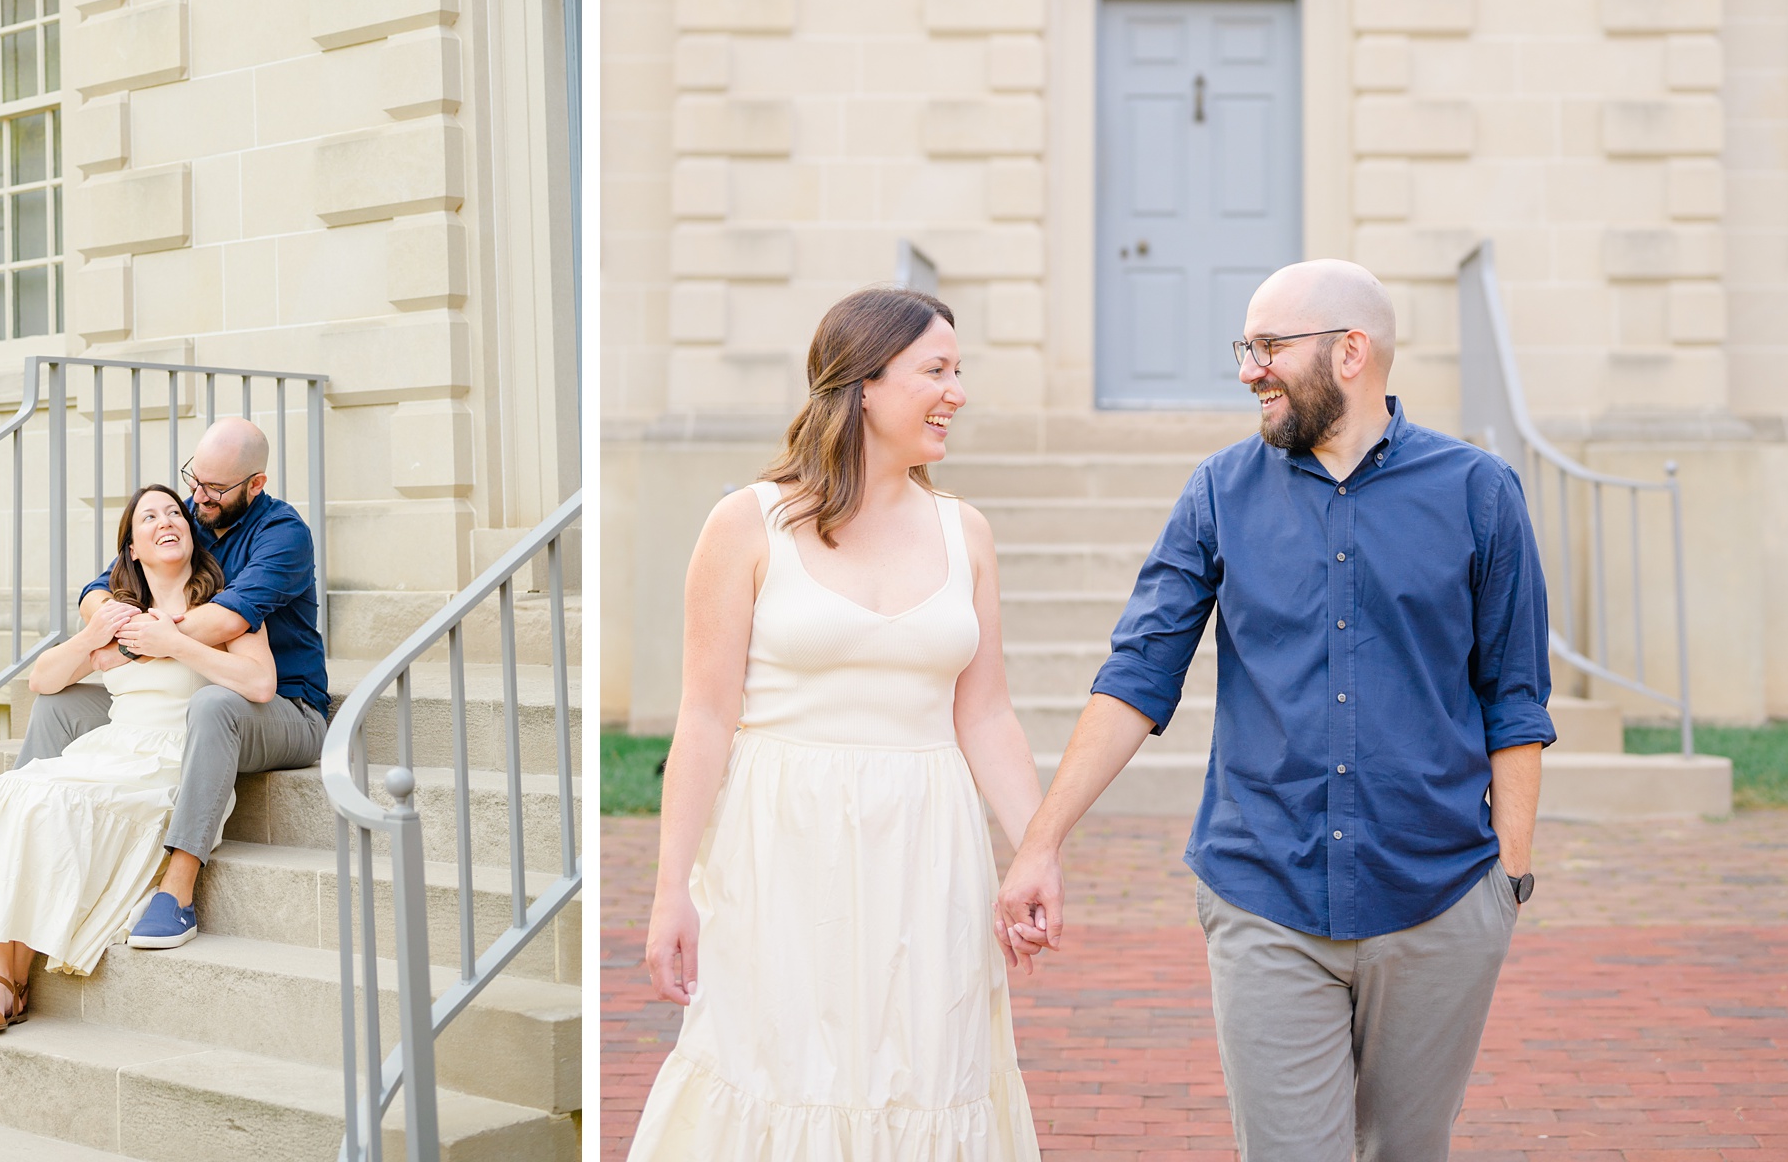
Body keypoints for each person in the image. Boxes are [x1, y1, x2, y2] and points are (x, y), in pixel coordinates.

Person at [995, 258, 1554, 1162]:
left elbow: (1515, 697)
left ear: (1350, 353)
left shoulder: (1478, 491)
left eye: (1269, 347)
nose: (1249, 369)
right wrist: (1041, 842)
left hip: (1439, 896)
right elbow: (1139, 674)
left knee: (1408, 1151)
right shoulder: (1219, 492)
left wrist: (1508, 884)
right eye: (1245, 347)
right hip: (1263, 892)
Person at [631, 286, 1047, 1160]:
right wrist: (674, 889)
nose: (957, 393)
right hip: (784, 841)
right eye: (936, 370)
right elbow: (704, 718)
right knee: (784, 1068)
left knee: (927, 1071)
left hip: (930, 846)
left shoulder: (964, 530)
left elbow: (988, 712)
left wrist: (1034, 850)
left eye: (958, 371)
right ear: (863, 385)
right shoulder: (748, 523)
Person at [0, 484, 274, 1033]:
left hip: (169, 757)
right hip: (112, 746)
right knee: (6, 790)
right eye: (149, 517)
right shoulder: (118, 613)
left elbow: (260, 683)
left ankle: (5, 985)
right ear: (131, 549)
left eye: (173, 513)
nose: (167, 520)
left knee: (51, 800)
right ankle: (1, 975)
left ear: (189, 532)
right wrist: (93, 633)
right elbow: (44, 680)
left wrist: (177, 643)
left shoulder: (223, 608)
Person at [9, 415, 328, 950]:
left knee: (211, 706)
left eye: (215, 489)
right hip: (174, 702)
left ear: (256, 485)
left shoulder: (283, 535)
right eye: (194, 480)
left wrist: (130, 644)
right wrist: (107, 626)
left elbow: (227, 620)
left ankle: (177, 891)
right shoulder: (187, 519)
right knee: (59, 705)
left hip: (286, 708)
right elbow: (99, 588)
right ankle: (7, 853)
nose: (198, 497)